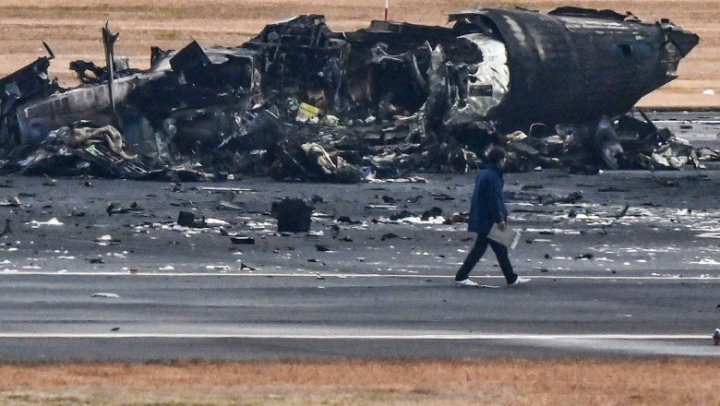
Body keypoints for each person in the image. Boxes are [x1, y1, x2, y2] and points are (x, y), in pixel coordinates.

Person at [455, 146, 530, 287]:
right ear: (501, 160)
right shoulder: (493, 177)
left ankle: (511, 278)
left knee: (490, 249)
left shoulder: (483, 173)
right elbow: (494, 200)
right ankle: (462, 276)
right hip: (489, 219)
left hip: (482, 216)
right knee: (494, 249)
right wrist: (499, 219)